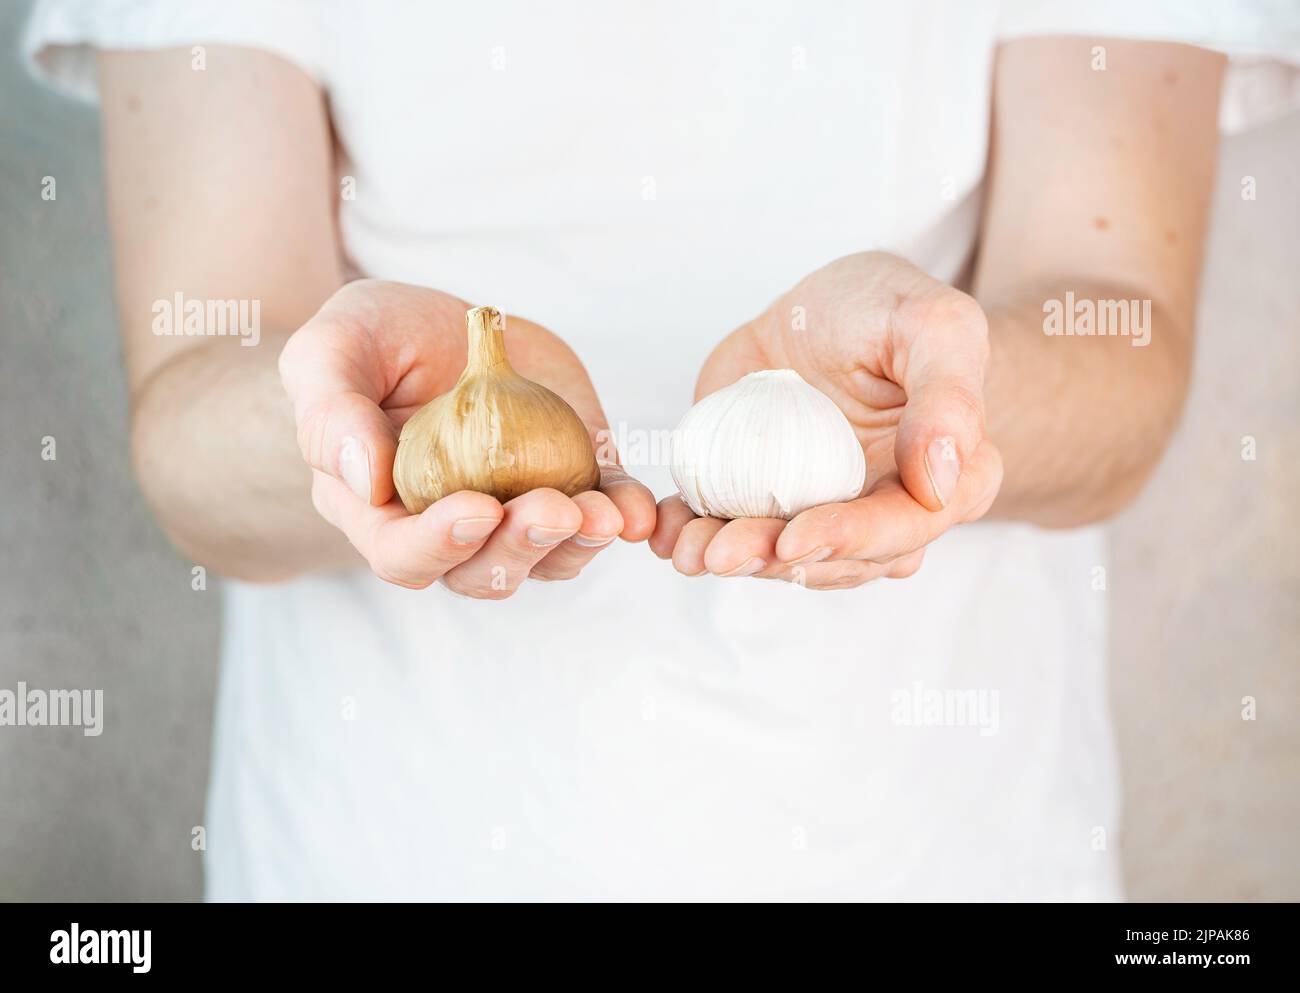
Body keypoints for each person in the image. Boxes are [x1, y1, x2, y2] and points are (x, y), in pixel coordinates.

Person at [24, 0, 1299, 900]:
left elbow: (1117, 339)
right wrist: (345, 424)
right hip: (384, 854)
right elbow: (194, 428)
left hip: (942, 854)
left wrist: (937, 397)